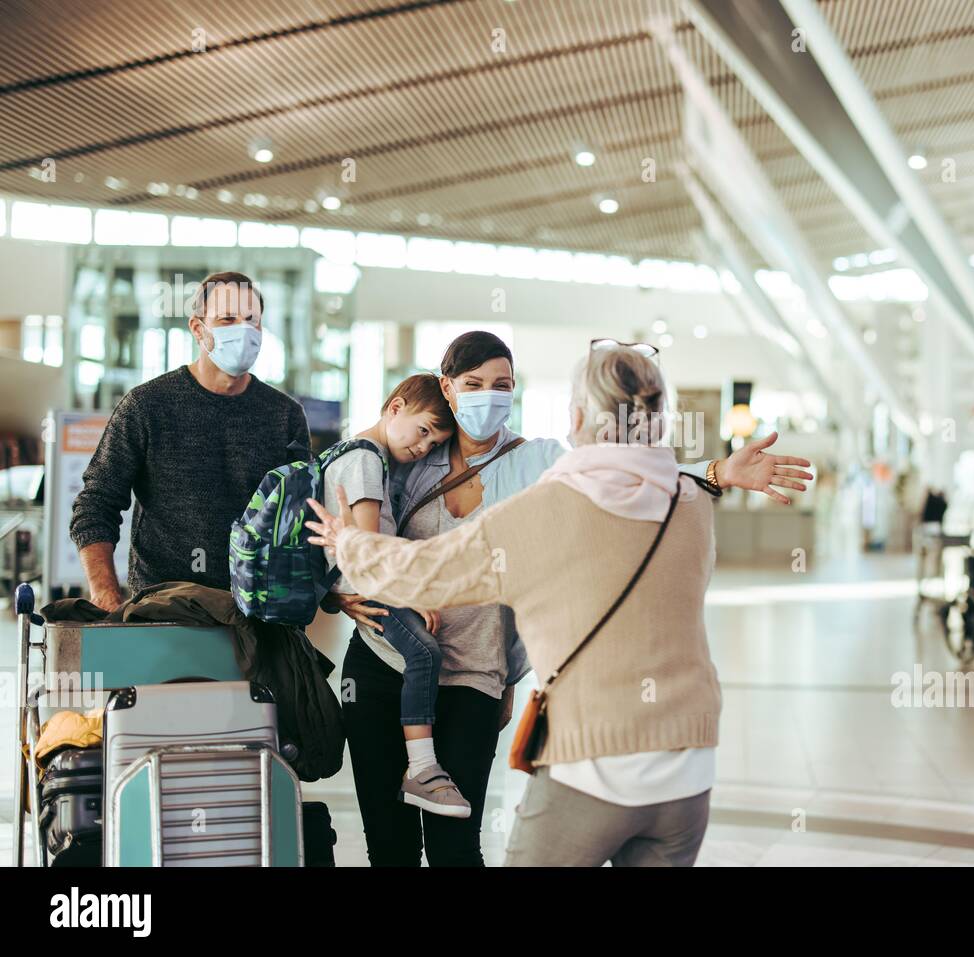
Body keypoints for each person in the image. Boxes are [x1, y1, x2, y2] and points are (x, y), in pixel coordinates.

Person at [328, 330, 813, 867]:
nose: (488, 396)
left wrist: (718, 471)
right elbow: (346, 501)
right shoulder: (411, 453)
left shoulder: (542, 470)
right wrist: (340, 592)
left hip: (474, 677)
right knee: (387, 843)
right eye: (473, 384)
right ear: (447, 387)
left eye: (502, 385)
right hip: (385, 666)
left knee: (454, 849)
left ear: (575, 417)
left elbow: (618, 481)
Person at [70, 271, 309, 610]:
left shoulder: (285, 415)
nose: (242, 330)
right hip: (166, 606)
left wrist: (330, 590)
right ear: (198, 329)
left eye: (251, 320)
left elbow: (302, 516)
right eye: (227, 319)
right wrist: (105, 591)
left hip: (258, 611)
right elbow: (96, 503)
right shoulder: (147, 406)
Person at [318, 373, 471, 817]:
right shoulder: (365, 459)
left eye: (434, 442)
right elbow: (368, 547)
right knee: (424, 653)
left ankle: (420, 768)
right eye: (423, 431)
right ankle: (423, 768)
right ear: (395, 407)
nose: (424, 447)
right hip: (373, 588)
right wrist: (411, 591)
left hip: (363, 588)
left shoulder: (352, 452)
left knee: (419, 652)